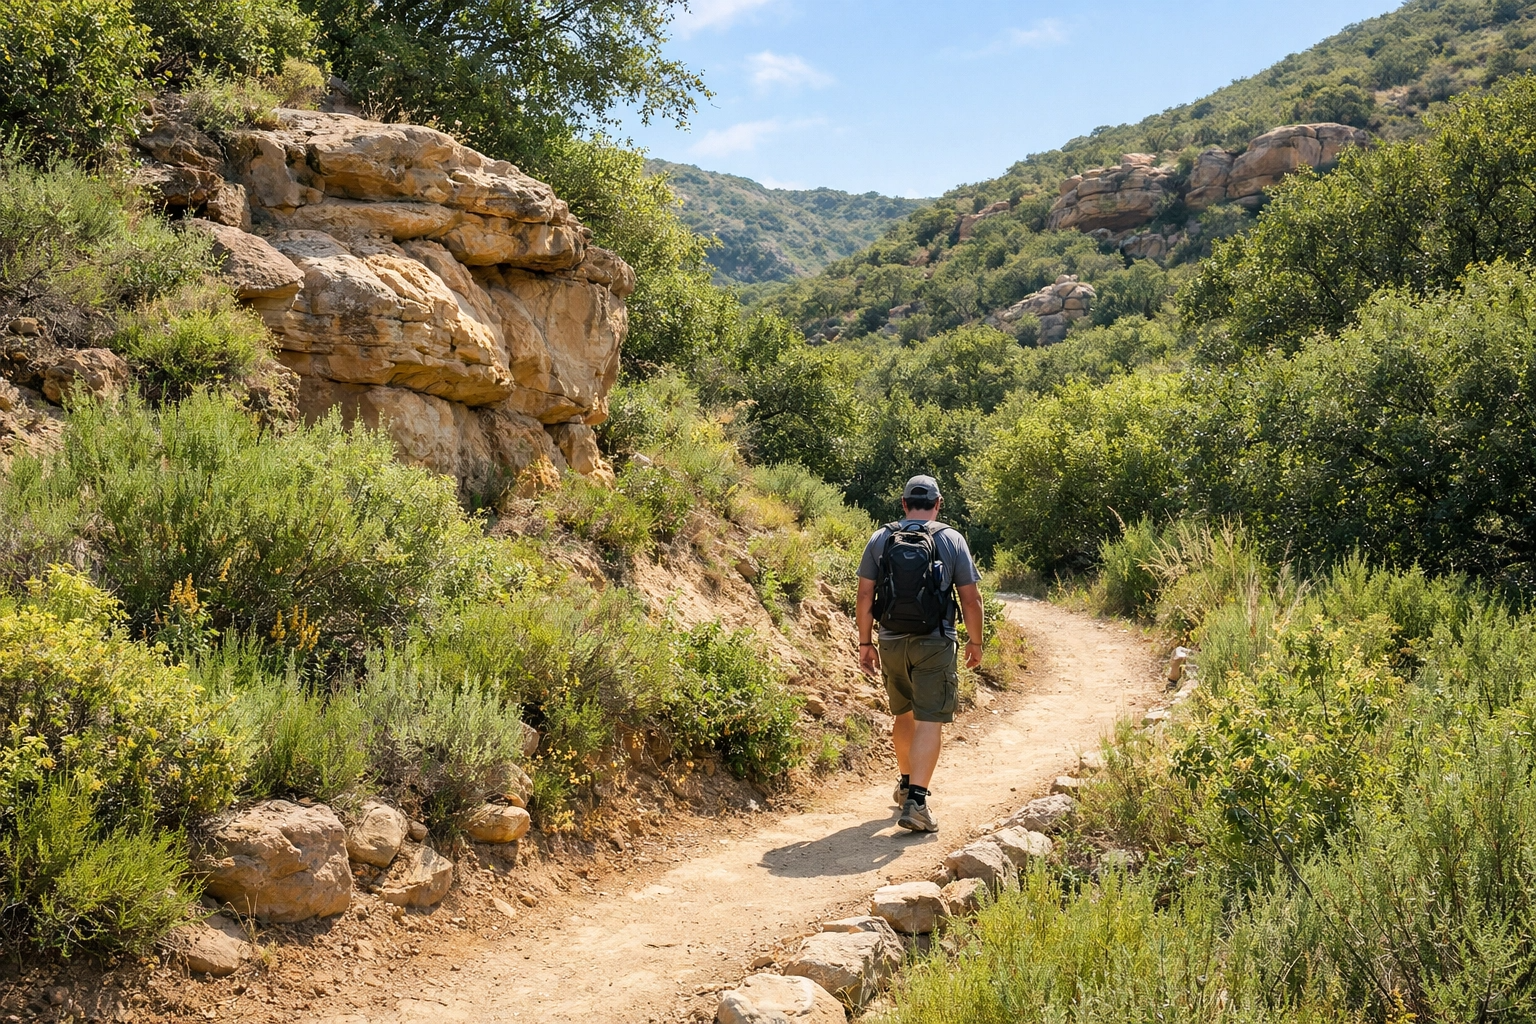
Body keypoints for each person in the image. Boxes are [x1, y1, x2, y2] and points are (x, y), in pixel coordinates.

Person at [856, 475, 983, 833]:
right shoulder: (951, 539)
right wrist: (975, 642)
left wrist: (865, 643)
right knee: (929, 719)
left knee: (904, 714)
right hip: (935, 641)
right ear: (938, 504)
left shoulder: (881, 538)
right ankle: (918, 802)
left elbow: (865, 595)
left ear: (904, 503)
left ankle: (905, 783)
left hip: (891, 641)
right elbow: (970, 599)